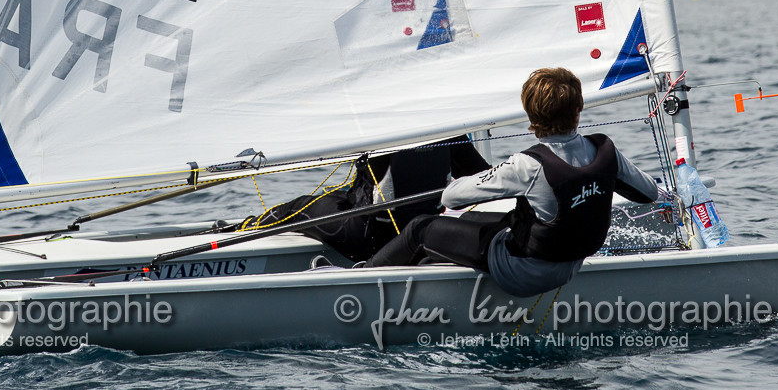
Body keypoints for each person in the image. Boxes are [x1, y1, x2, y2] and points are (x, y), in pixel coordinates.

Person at [360, 67, 663, 297]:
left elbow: (451, 197)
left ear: (531, 114)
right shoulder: (605, 151)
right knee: (477, 219)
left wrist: (478, 177)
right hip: (569, 267)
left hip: (522, 274)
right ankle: (426, 266)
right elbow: (649, 192)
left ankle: (360, 279)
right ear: (577, 109)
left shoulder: (527, 164)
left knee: (422, 229)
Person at [250, 136, 490, 262]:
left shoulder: (378, 126)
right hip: (423, 234)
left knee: (298, 207)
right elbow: (482, 177)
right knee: (337, 197)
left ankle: (245, 228)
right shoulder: (448, 129)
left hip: (367, 235)